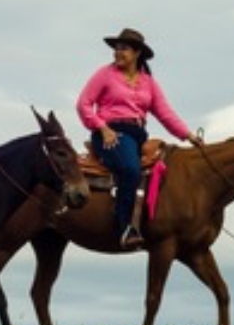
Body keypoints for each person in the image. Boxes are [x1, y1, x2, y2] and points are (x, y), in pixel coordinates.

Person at [76, 27, 203, 249]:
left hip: (137, 135)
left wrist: (188, 135)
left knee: (163, 170)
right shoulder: (104, 74)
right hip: (111, 133)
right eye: (116, 48)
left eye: (123, 49)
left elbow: (165, 113)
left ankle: (156, 223)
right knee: (131, 169)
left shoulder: (148, 83)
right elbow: (83, 104)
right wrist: (102, 128)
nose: (117, 53)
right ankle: (125, 226)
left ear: (137, 53)